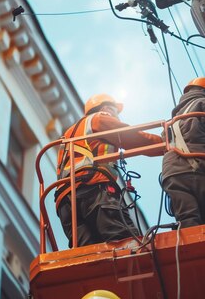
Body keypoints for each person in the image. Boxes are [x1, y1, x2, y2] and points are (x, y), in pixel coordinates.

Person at [55, 94, 163, 247]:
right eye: (115, 112)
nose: (117, 117)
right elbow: (130, 136)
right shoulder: (99, 118)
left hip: (66, 201)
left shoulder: (69, 134)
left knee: (87, 253)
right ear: (106, 108)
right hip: (94, 190)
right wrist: (163, 143)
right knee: (125, 242)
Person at [162, 77, 205, 228]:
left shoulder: (170, 122)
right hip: (203, 169)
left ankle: (185, 248)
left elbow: (163, 145)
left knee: (188, 222)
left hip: (173, 173)